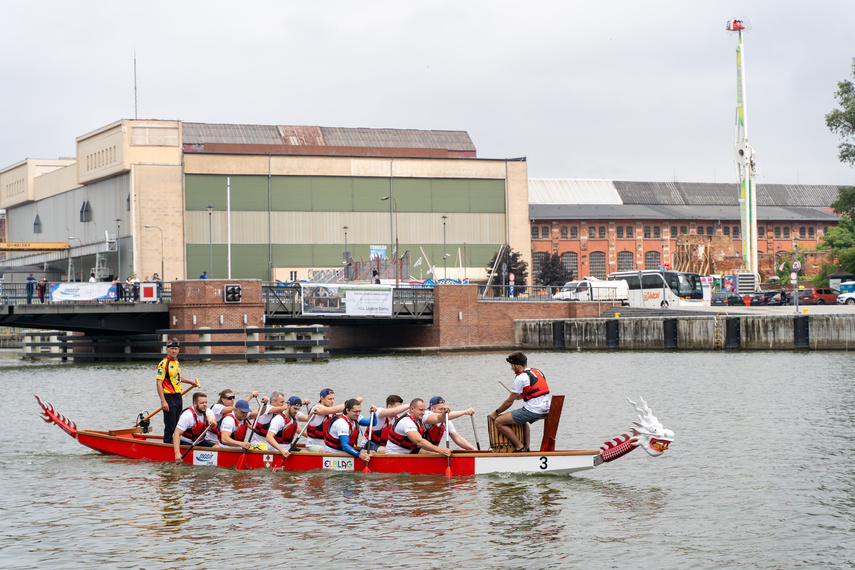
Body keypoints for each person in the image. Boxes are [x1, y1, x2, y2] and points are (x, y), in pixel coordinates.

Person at [489, 352, 551, 453]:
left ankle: (519, 447)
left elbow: (509, 402)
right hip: (546, 409)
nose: (511, 368)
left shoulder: (520, 377)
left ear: (517, 365)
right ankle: (527, 447)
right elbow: (536, 391)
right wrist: (522, 395)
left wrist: (496, 412)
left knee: (499, 421)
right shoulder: (537, 372)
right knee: (522, 420)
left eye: (512, 365)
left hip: (533, 410)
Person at [156, 338, 200, 444]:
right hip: (168, 397)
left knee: (178, 423)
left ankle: (176, 442)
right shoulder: (163, 364)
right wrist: (163, 401)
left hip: (178, 396)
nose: (174, 351)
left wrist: (191, 382)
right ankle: (167, 444)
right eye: (172, 349)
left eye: (176, 349)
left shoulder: (176, 362)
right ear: (167, 350)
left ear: (178, 350)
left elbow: (178, 378)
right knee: (170, 425)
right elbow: (158, 383)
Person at [385, 398, 451, 456]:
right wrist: (440, 450)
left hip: (410, 451)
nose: (423, 412)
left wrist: (443, 414)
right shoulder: (406, 421)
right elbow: (419, 441)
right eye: (421, 410)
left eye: (424, 410)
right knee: (433, 452)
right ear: (412, 409)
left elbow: (438, 418)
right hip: (395, 454)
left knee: (431, 452)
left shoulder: (420, 417)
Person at [173, 392, 217, 462]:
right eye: (202, 403)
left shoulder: (208, 411)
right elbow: (176, 434)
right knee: (196, 449)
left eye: (206, 402)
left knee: (216, 447)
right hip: (184, 441)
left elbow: (212, 419)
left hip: (199, 441)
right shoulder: (187, 415)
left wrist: (213, 423)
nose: (205, 405)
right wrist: (177, 453)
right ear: (195, 404)